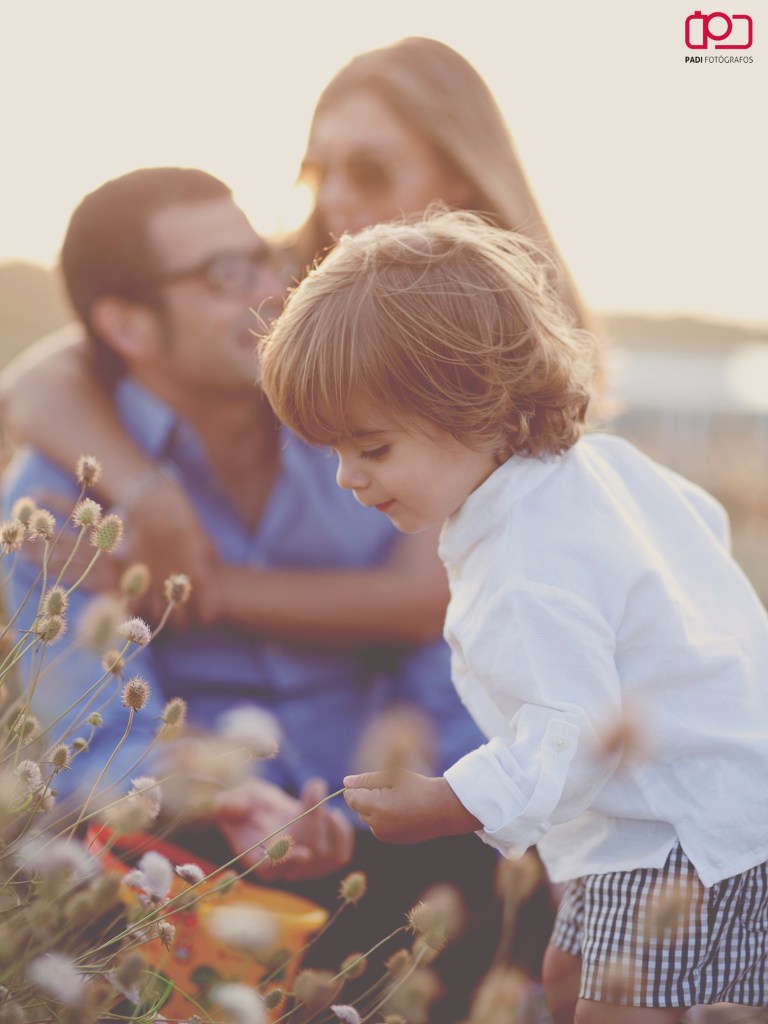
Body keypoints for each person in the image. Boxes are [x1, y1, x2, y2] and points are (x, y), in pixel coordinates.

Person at [0, 168, 501, 1020]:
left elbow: (451, 617)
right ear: (126, 321)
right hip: (209, 849)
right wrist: (232, 794)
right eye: (223, 275)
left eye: (264, 257)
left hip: (416, 822)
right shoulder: (56, 504)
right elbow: (99, 731)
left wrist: (429, 773)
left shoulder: (360, 423)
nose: (273, 287)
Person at [258, 208, 768, 1024]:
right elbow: (701, 521)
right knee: (564, 974)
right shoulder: (594, 466)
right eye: (334, 452)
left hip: (674, 836)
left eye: (374, 447)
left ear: (475, 400)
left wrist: (447, 802)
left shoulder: (521, 561)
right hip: (733, 795)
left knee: (618, 1005)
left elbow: (570, 730)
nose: (349, 477)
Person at [0, 37, 590, 621]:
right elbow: (44, 378)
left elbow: (426, 595)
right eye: (320, 169)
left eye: (369, 172)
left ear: (461, 174)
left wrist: (176, 583)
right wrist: (149, 495)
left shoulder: (514, 340)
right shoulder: (295, 280)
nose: (334, 197)